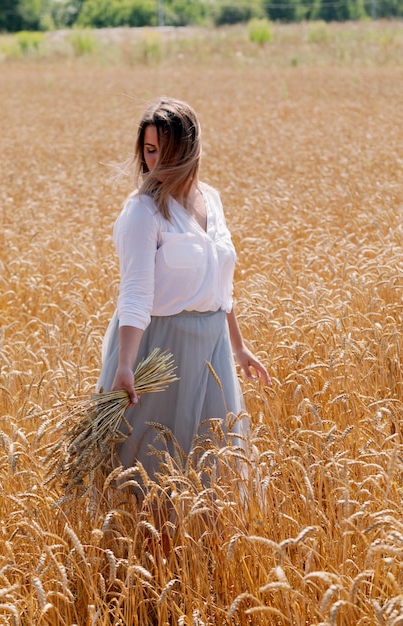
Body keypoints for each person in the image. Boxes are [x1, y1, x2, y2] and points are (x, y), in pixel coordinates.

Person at [97, 97, 271, 486]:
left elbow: (220, 283)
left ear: (189, 148)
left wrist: (238, 348)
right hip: (159, 354)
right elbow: (136, 293)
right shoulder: (142, 212)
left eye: (165, 149)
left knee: (214, 475)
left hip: (213, 352)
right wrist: (126, 364)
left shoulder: (211, 199)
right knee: (154, 477)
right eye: (149, 150)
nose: (155, 161)